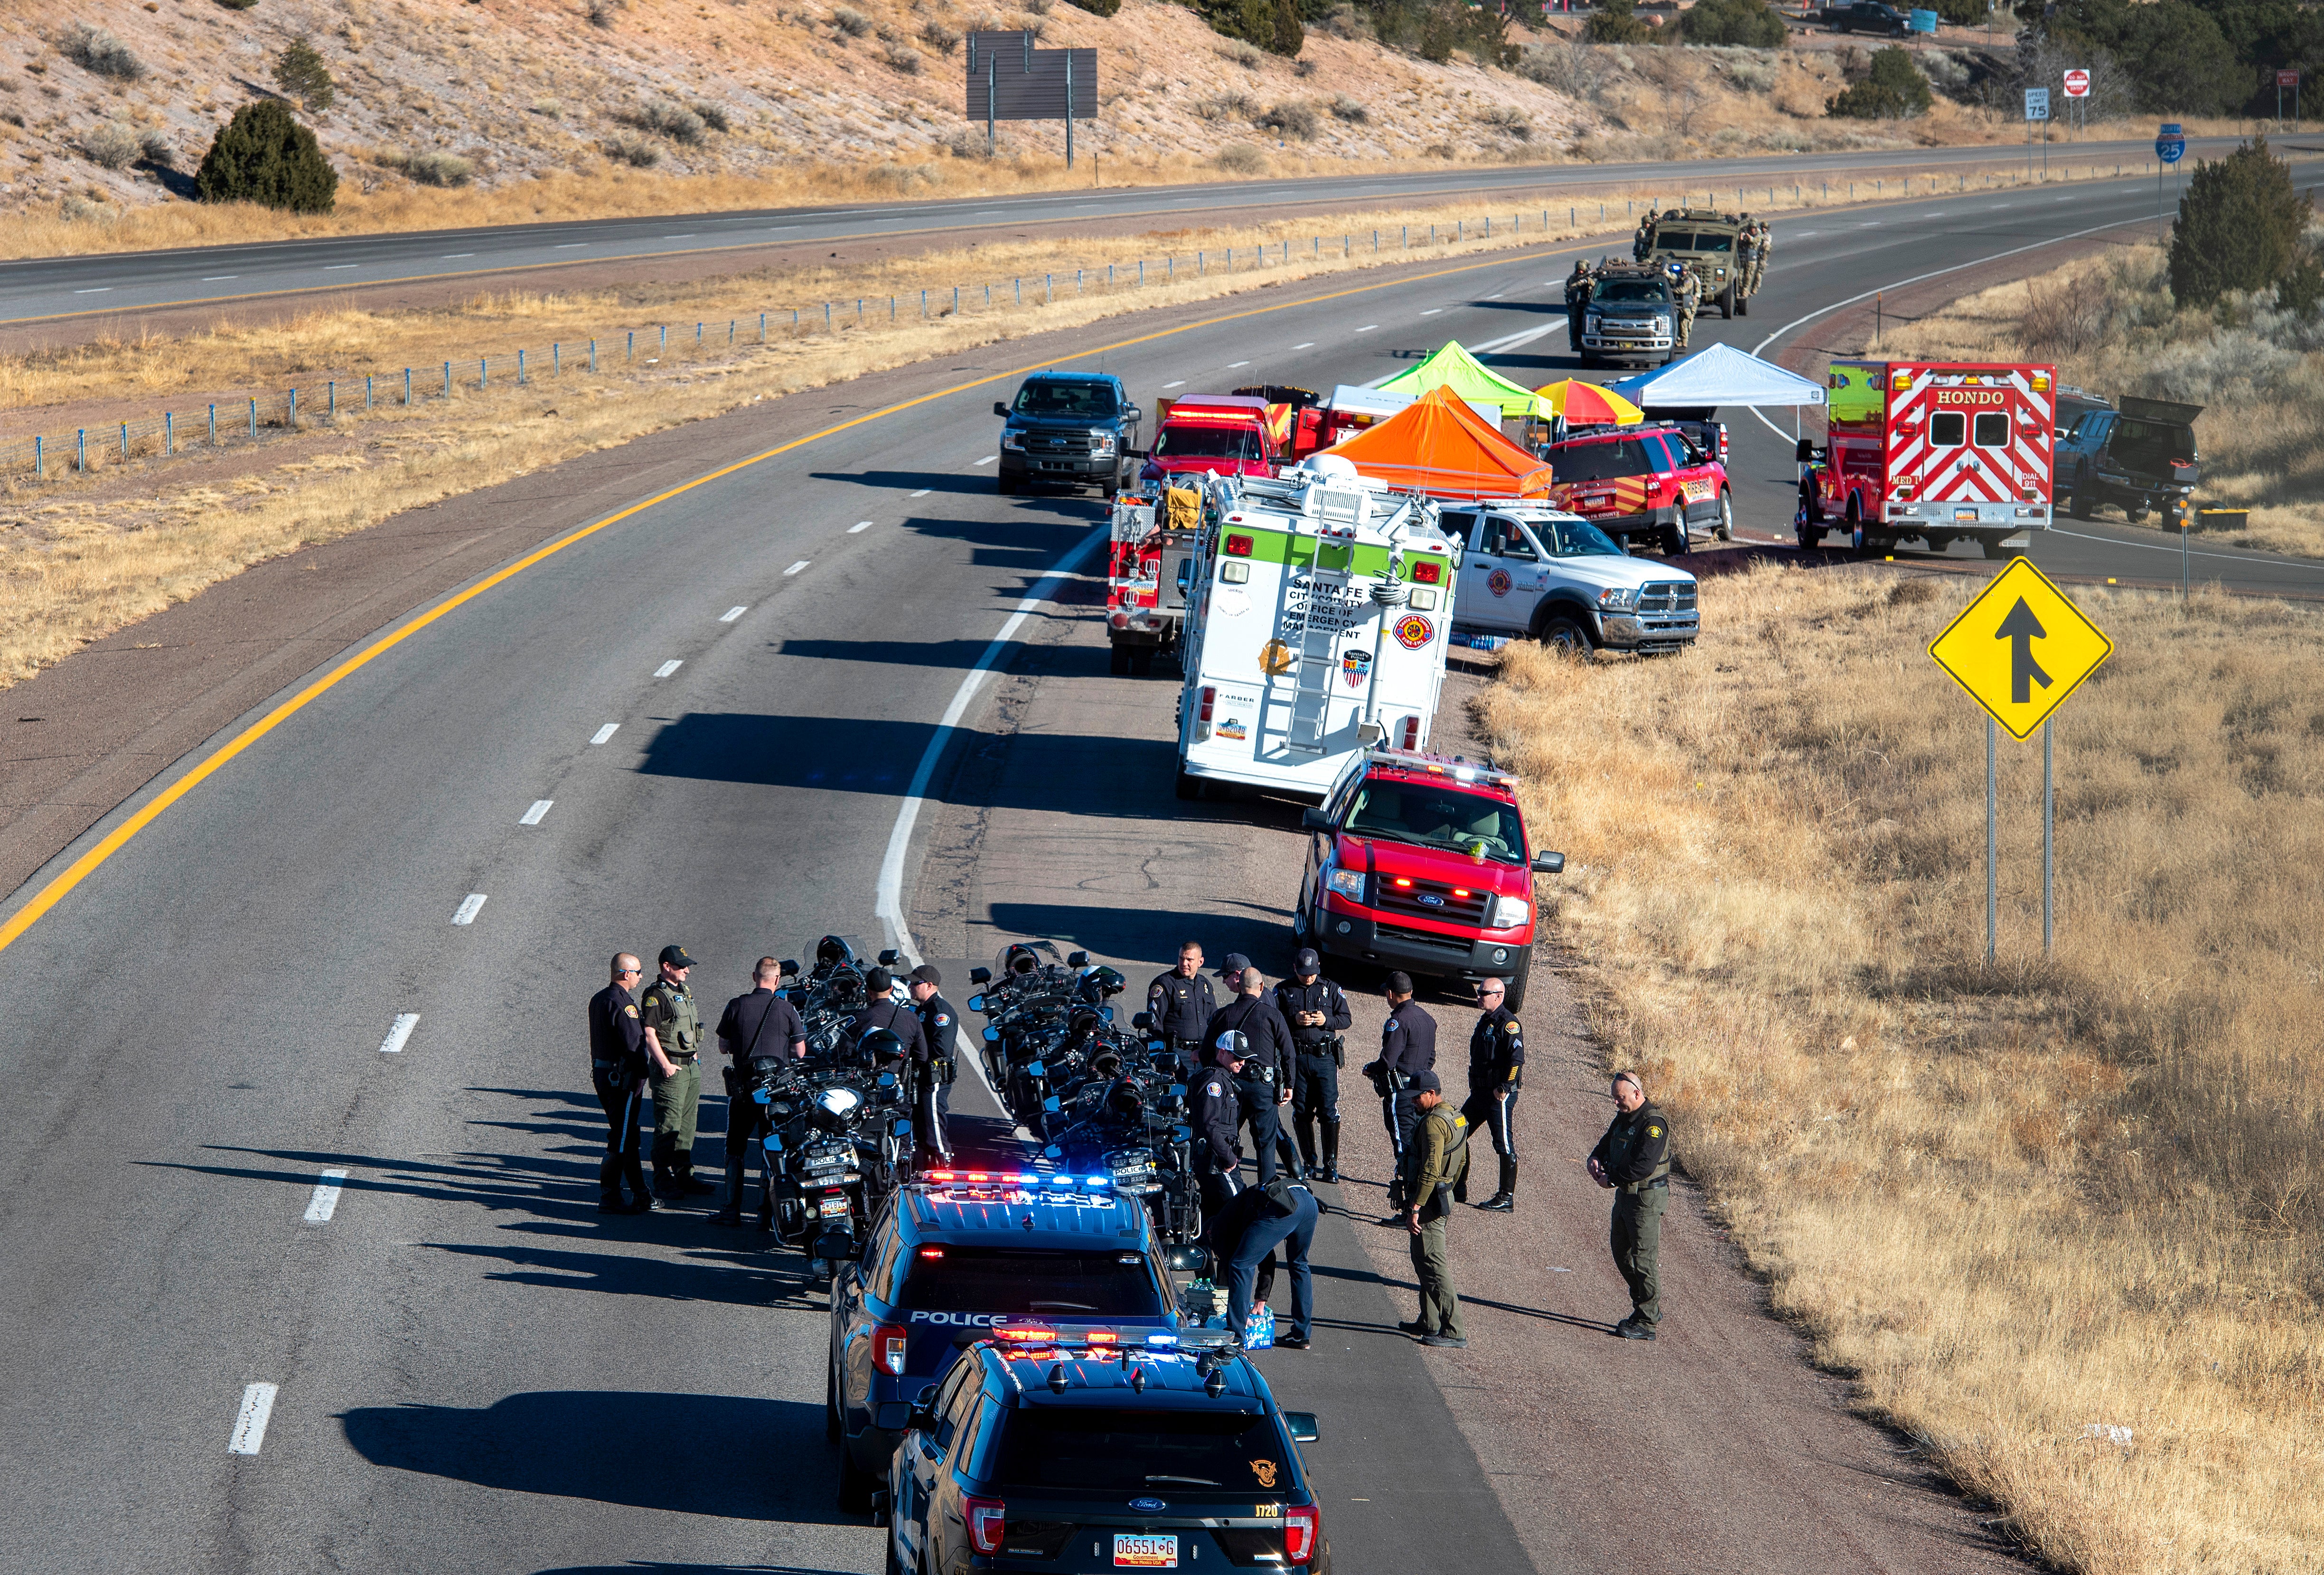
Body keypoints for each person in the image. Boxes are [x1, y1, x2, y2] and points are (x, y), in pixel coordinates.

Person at [711, 956, 806, 1228]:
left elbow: (722, 1046)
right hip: (775, 1094)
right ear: (777, 980)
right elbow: (800, 1052)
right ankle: (766, 1213)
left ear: (754, 977)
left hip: (744, 1091)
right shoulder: (787, 1009)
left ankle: (731, 1209)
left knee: (735, 1148)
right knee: (772, 1149)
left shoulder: (737, 1005)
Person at [1589, 1069, 1672, 1341]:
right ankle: (1647, 1306)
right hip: (1626, 1195)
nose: (1616, 1103)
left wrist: (1611, 1179)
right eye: (1615, 1098)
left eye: (1620, 1098)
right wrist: (1596, 1157)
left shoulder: (1654, 1124)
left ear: (1637, 1094)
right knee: (1620, 1250)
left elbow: (1643, 1166)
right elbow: (1607, 1142)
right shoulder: (1625, 1116)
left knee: (1645, 1259)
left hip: (1645, 1200)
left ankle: (1647, 1322)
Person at [1204, 955, 1294, 1184]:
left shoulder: (1223, 1015)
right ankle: (1267, 1194)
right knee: (1266, 1144)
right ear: (1262, 987)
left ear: (1240, 987)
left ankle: (1226, 1187)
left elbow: (1207, 1052)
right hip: (1263, 1088)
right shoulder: (1273, 1015)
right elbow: (1289, 1053)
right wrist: (1289, 1085)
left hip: (1231, 1086)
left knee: (1227, 1138)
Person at [1398, 1071, 1469, 1349]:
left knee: (1433, 1263)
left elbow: (1430, 1169)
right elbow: (1463, 1156)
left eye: (1417, 1097)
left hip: (1428, 1203)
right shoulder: (1457, 1117)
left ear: (1431, 1094)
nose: (1413, 1101)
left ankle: (1453, 1330)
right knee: (1422, 1259)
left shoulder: (1432, 1126)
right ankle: (1429, 1321)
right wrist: (1455, 1187)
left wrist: (1416, 1206)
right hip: (1442, 1196)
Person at [1210, 1173, 1319, 1352]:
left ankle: (1236, 1336)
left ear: (1209, 1233)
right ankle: (1301, 1335)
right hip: (1309, 1202)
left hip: (1285, 1205)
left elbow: (1248, 1261)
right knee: (1299, 1265)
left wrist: (1249, 1306)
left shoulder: (1222, 1226)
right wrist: (1261, 1299)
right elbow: (1266, 1255)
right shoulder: (1238, 1207)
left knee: (1240, 1265)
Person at [640, 945, 712, 1200]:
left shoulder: (683, 991)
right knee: (668, 1124)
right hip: (671, 1069)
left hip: (690, 1067)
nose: (687, 971)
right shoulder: (656, 996)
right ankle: (662, 1179)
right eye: (681, 966)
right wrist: (665, 1065)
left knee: (687, 1125)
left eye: (687, 966)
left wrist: (693, 1055)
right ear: (666, 967)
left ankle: (684, 1174)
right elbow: (649, 1034)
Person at [1274, 948, 1350, 1183]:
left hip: (1325, 1058)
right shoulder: (1283, 990)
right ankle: (1309, 1162)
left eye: (1313, 974)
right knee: (1302, 1111)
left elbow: (1346, 1018)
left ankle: (1331, 1165)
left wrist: (1327, 1021)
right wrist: (1293, 1021)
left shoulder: (1330, 988)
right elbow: (1273, 1020)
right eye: (1304, 974)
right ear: (1295, 969)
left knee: (1329, 1110)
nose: (1309, 978)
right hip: (1297, 1058)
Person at [588, 953, 652, 1215]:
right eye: (638, 972)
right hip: (621, 1081)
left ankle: (639, 1194)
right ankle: (611, 1195)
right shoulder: (623, 1004)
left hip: (605, 1076)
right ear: (626, 974)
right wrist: (645, 1073)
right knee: (622, 1138)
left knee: (625, 1134)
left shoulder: (600, 998)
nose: (640, 976)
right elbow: (634, 1046)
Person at [1370, 972, 1436, 1205]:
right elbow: (1431, 1059)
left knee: (1404, 1148)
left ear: (1390, 994)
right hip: (1422, 1093)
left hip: (1401, 1094)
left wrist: (1371, 1068)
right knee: (1419, 1147)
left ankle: (1409, 1207)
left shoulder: (1398, 1021)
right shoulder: (1428, 1019)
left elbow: (1388, 1061)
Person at [1462, 977, 1525, 1212]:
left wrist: (1505, 1087)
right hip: (1480, 1093)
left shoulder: (1509, 1024)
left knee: (1503, 1143)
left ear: (1498, 996)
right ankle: (1459, 1185)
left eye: (1483, 993)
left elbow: (1517, 1061)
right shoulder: (1485, 1021)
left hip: (1498, 1096)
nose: (1479, 996)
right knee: (1459, 1131)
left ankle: (1506, 1197)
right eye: (1478, 992)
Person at [1190, 1032, 1246, 1219]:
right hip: (1217, 1163)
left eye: (1244, 1057)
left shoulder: (1224, 1079)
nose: (1242, 1062)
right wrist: (1229, 1159)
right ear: (1222, 1053)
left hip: (1217, 1161)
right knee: (1241, 1211)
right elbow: (1210, 1126)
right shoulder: (1214, 1082)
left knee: (1213, 1218)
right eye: (1237, 1057)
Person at [907, 964, 957, 1162]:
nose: (911, 986)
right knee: (923, 1129)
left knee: (934, 1126)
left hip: (934, 1077)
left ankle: (945, 1168)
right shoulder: (924, 1009)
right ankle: (930, 1168)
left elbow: (941, 1050)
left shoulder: (940, 1011)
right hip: (923, 1078)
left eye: (915, 983)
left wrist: (918, 1056)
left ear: (929, 985)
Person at [1146, 941, 1218, 1071]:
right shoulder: (1165, 984)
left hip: (1204, 1055)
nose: (1184, 963)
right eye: (1181, 958)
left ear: (1200, 962)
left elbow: (1215, 1020)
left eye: (1190, 960)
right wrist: (1163, 1058)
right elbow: (1155, 1023)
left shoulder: (1205, 985)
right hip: (1177, 1055)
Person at [1668, 261, 1701, 351]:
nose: (1684, 272)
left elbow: (1684, 290)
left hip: (1688, 301)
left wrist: (1673, 290)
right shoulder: (1681, 278)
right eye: (1683, 270)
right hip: (1682, 301)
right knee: (1682, 321)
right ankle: (1682, 339)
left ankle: (1685, 340)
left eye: (1686, 271)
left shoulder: (1689, 279)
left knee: (1686, 321)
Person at [1565, 258, 1594, 353]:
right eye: (1579, 270)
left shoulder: (1591, 278)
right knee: (1574, 326)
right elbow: (1569, 290)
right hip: (1576, 306)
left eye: (1582, 270)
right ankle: (1575, 343)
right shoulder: (1572, 278)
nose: (1580, 272)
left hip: (1588, 306)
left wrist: (1590, 282)